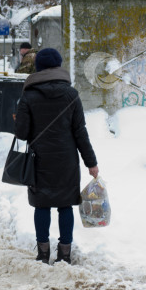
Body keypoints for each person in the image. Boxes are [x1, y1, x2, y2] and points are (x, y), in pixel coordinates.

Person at [14, 47, 99, 264]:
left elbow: (22, 133)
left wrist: (18, 119)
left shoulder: (29, 95)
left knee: (41, 205)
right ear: (59, 66)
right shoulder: (71, 95)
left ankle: (43, 253)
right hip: (66, 161)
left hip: (38, 161)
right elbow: (80, 132)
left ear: (38, 67)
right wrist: (91, 163)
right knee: (64, 205)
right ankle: (65, 253)